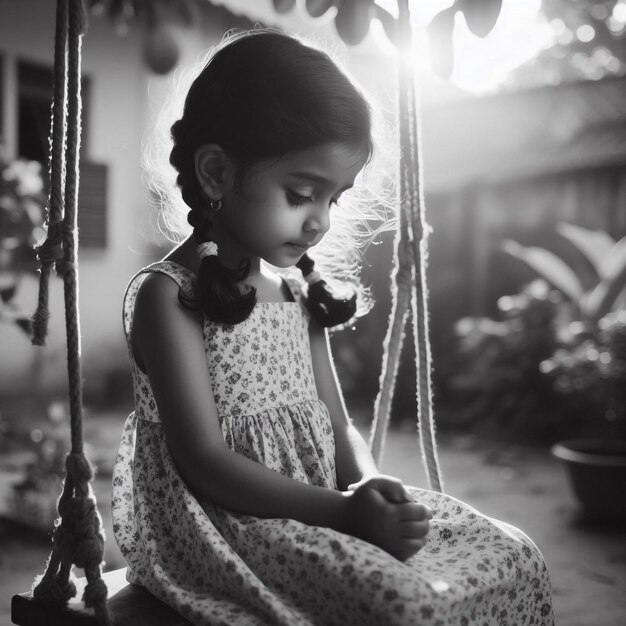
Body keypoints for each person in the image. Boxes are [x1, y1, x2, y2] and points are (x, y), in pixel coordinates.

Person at [112, 29, 554, 625]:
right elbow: (204, 461)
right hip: (226, 527)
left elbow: (339, 422)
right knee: (408, 603)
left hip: (322, 506)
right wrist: (344, 515)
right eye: (301, 193)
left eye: (334, 199)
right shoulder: (171, 298)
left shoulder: (297, 292)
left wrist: (371, 487)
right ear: (216, 171)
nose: (319, 220)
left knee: (513, 554)